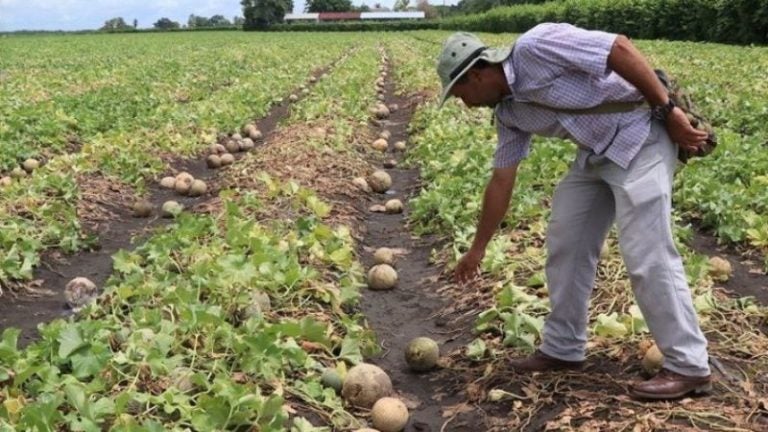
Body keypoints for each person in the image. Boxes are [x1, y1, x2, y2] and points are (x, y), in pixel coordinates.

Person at [436, 23, 712, 400]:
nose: (464, 103)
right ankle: (563, 348)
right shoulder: (509, 113)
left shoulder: (536, 47)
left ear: (479, 73)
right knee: (566, 238)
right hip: (596, 153)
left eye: (461, 92)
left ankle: (688, 365)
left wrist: (668, 112)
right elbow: (502, 180)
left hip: (641, 134)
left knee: (647, 251)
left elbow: (619, 48)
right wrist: (478, 248)